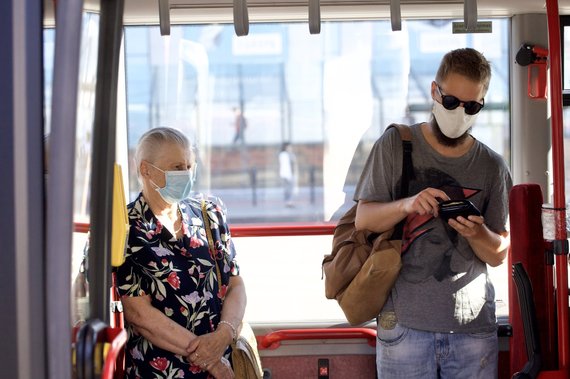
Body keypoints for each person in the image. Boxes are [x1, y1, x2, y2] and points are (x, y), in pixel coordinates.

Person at [354, 48, 512, 378]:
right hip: (404, 326)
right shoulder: (396, 146)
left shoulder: (491, 167)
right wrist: (408, 205)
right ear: (434, 92)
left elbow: (498, 253)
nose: (459, 113)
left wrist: (477, 233)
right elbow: (364, 220)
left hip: (472, 330)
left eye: (472, 107)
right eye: (452, 102)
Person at [117, 127, 246, 379]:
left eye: (189, 166)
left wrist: (223, 335)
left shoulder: (210, 213)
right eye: (177, 167)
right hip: (160, 370)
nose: (186, 174)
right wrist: (210, 360)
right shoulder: (124, 227)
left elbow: (235, 285)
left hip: (221, 361)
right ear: (146, 170)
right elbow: (138, 314)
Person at [278, 142, 297, 207]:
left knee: (288, 189)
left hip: (287, 174)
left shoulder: (287, 155)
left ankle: (288, 201)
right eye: (289, 147)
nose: (290, 148)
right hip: (287, 174)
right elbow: (286, 166)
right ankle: (288, 202)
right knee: (288, 189)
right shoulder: (284, 155)